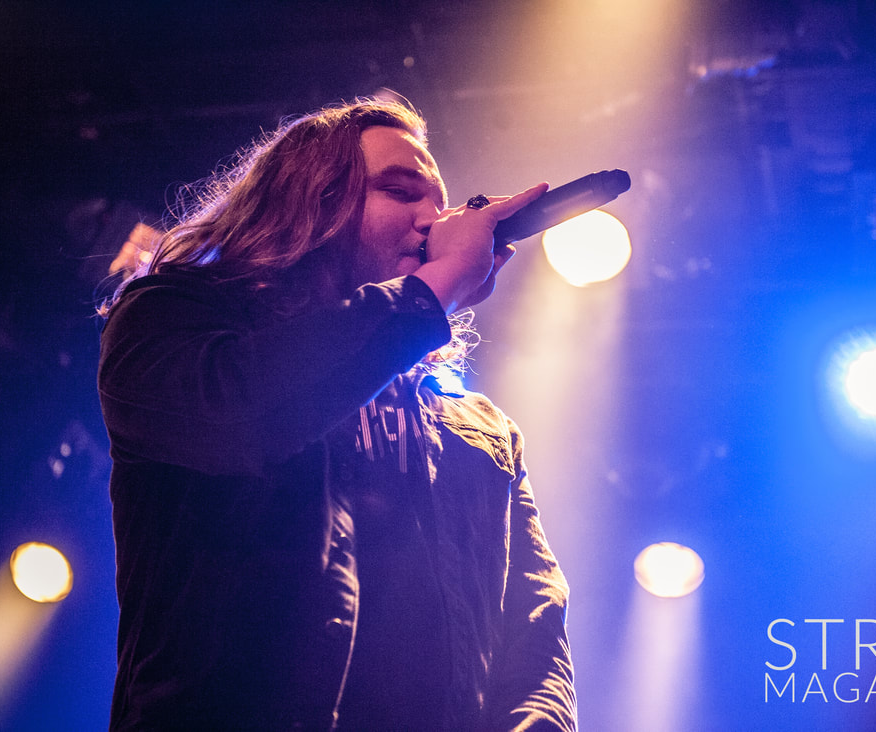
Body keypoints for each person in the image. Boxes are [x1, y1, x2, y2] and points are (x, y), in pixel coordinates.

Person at [97, 98, 576, 731]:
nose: (432, 220)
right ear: (309, 200)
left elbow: (534, 636)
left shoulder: (479, 429)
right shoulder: (170, 318)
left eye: (439, 203)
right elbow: (245, 416)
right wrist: (436, 288)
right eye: (399, 192)